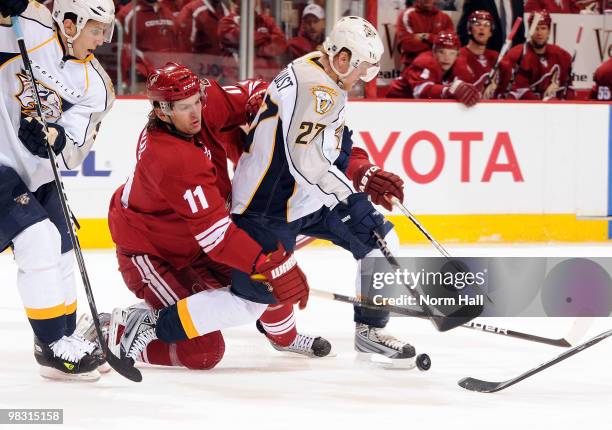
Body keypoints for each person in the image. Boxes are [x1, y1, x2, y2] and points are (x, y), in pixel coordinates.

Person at [105, 63, 330, 369]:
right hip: (153, 253)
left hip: (195, 241)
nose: (196, 112)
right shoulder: (171, 157)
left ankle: (284, 337)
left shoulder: (203, 103)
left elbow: (255, 91)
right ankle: (112, 331)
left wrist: (261, 110)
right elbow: (217, 237)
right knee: (203, 352)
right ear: (161, 112)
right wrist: (270, 261)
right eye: (184, 107)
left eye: (197, 101)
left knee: (263, 283)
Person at [227, 16, 419, 367]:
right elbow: (307, 161)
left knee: (383, 241)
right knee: (253, 297)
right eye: (363, 68)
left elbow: (331, 142)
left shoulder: (318, 69)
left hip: (303, 197)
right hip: (266, 206)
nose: (364, 78)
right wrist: (352, 200)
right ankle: (154, 315)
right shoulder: (318, 89)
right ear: (343, 58)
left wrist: (363, 172)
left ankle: (370, 331)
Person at [0, 0, 115, 381]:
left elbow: (71, 153)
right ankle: (51, 343)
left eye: (105, 30)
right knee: (38, 238)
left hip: (36, 173)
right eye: (95, 29)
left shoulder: (97, 85)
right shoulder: (27, 24)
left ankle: (64, 335)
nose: (101, 40)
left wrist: (53, 137)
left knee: (64, 246)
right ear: (69, 22)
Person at [387, 31, 481, 107]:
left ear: (457, 55)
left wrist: (473, 94)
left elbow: (469, 89)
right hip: (395, 104)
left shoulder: (460, 66)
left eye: (451, 53)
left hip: (420, 107)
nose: (446, 57)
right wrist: (447, 90)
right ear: (434, 52)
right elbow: (420, 91)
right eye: (441, 52)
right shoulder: (425, 61)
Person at [503, 10, 573, 100]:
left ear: (549, 31)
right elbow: (519, 91)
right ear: (530, 31)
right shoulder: (517, 54)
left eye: (543, 28)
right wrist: (544, 103)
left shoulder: (561, 56)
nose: (539, 33)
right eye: (536, 28)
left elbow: (568, 88)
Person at [395, 0, 454, 70]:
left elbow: (451, 44)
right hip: (413, 67)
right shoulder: (407, 15)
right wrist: (438, 43)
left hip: (439, 69)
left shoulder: (445, 18)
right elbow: (407, 45)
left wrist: (427, 37)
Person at [454, 10, 499, 98]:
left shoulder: (496, 57)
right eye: (477, 24)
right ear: (469, 30)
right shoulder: (458, 56)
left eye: (486, 25)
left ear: (490, 32)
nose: (482, 28)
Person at [457, 0, 525, 52]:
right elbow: (463, 31)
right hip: (484, 60)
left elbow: (520, 32)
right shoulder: (476, 1)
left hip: (511, 61)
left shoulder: (518, 1)